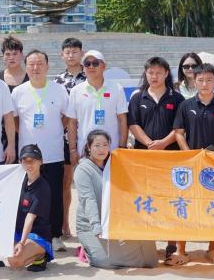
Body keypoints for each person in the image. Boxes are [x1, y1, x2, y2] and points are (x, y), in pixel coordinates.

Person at [173, 63, 214, 265]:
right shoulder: (185, 105)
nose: (205, 84)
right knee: (185, 205)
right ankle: (180, 250)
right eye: (200, 80)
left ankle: (212, 249)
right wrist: (189, 154)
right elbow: (179, 133)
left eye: (209, 80)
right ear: (194, 81)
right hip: (190, 165)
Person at [74, 129, 158, 269]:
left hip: (112, 220)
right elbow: (88, 200)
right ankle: (87, 250)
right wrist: (96, 226)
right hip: (90, 225)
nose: (102, 149)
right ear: (89, 147)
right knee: (104, 261)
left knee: (150, 259)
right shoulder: (83, 169)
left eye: (105, 145)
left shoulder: (113, 164)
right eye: (97, 145)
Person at [12, 50, 69, 250]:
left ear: (47, 66)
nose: (35, 68)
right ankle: (28, 235)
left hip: (53, 153)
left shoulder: (59, 90)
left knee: (54, 195)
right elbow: (14, 120)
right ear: (26, 67)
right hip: (28, 156)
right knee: (28, 198)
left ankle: (55, 235)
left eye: (39, 64)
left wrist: (55, 130)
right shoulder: (18, 92)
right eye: (31, 64)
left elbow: (67, 116)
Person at [66, 50, 129, 163]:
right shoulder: (76, 91)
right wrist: (72, 150)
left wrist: (122, 147)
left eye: (95, 63)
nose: (91, 67)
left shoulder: (117, 89)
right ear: (83, 68)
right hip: (85, 151)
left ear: (104, 66)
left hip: (112, 150)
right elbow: (72, 122)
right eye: (87, 64)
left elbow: (122, 119)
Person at [54, 37, 86, 239]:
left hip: (88, 138)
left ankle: (88, 227)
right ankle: (64, 224)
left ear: (82, 53)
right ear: (62, 55)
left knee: (88, 183)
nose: (71, 55)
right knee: (65, 183)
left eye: (75, 51)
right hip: (65, 139)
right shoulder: (57, 81)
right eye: (68, 52)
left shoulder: (90, 74)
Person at [2, 144, 53, 272]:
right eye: (25, 161)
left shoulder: (42, 187)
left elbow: (30, 218)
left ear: (41, 161)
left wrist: (21, 243)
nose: (29, 164)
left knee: (14, 261)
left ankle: (41, 256)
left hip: (37, 235)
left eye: (32, 160)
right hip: (18, 231)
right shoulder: (19, 181)